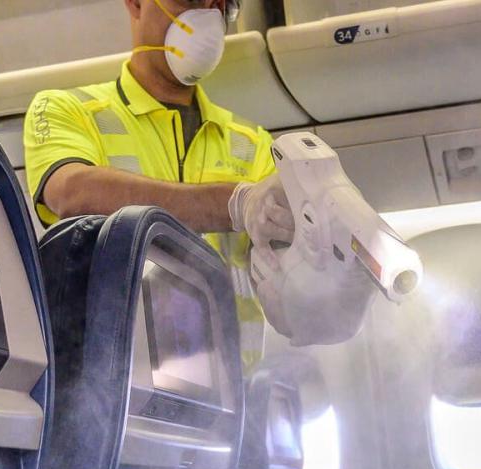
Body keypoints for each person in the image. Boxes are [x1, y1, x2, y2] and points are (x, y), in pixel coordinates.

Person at [23, 0, 294, 370]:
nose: (208, 18)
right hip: (118, 389)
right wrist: (234, 202)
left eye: (220, 5)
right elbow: (71, 192)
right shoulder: (68, 110)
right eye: (190, 0)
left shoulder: (254, 144)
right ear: (135, 4)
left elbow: (294, 281)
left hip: (235, 395)